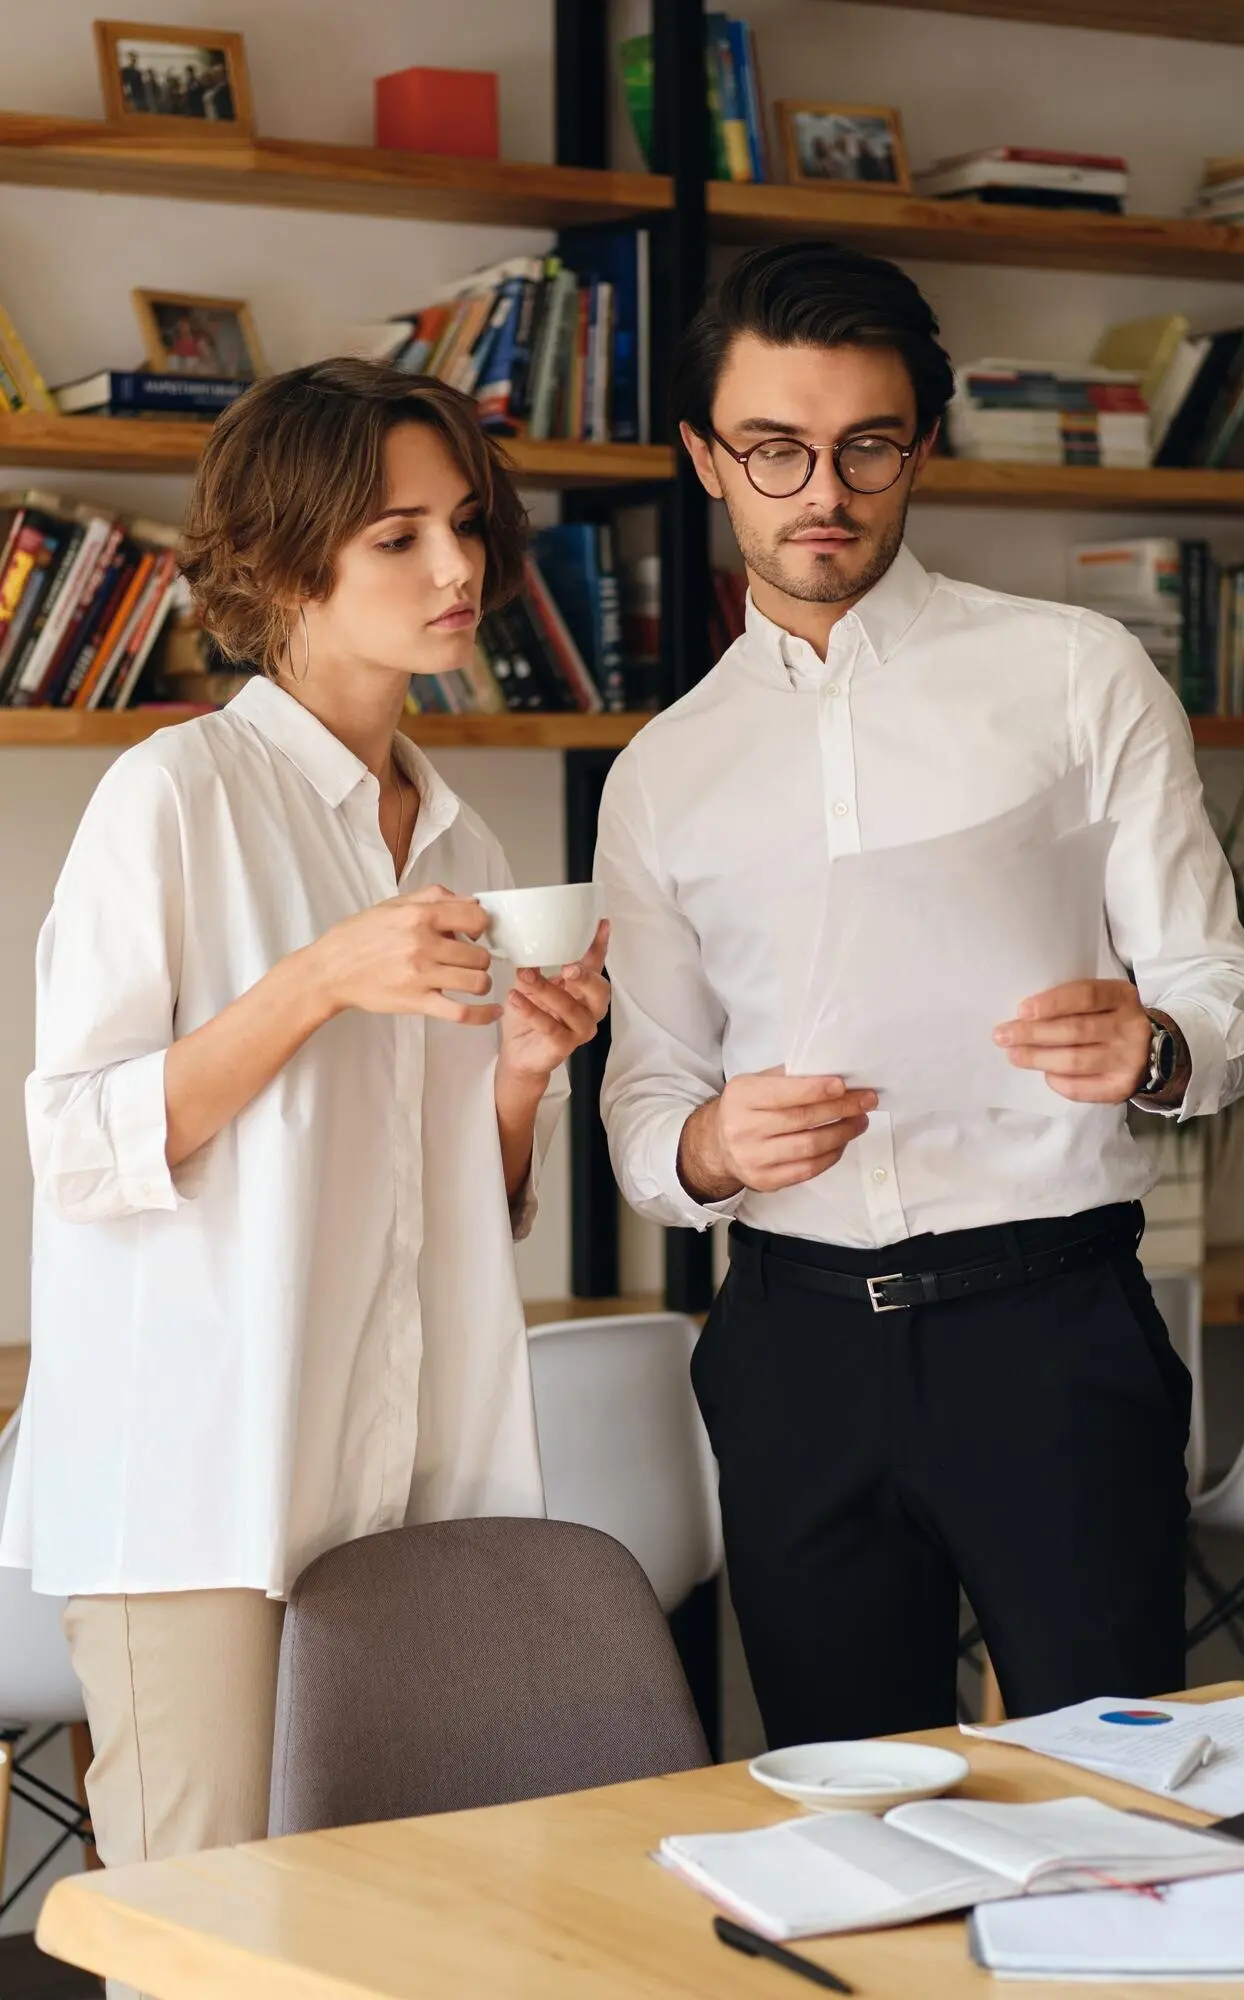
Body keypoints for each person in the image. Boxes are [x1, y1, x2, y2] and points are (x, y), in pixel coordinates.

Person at [595, 241, 1244, 1751]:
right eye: (774, 448)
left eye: (866, 446)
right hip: (793, 1350)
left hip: (1052, 1324)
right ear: (709, 457)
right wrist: (708, 1150)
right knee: (847, 1809)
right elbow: (647, 1102)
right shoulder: (659, 774)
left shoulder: (1078, 675)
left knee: (1119, 1797)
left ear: (922, 446)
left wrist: (1157, 1043)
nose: (820, 490)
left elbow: (1229, 990)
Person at [0, 359, 608, 1984]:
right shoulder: (176, 797)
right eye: (399, 535)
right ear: (281, 566)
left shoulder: (463, 847)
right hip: (197, 1486)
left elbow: (438, 1213)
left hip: (395, 1476)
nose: (457, 569)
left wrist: (526, 1079)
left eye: (465, 527)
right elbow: (75, 1138)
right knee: (207, 1947)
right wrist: (316, 980)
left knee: (388, 1938)